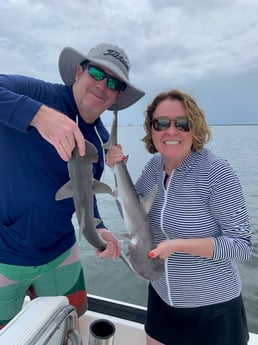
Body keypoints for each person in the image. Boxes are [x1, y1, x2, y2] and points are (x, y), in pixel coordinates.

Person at [0, 43, 145, 329]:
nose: (102, 85)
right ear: (79, 71)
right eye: (96, 72)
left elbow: (84, 192)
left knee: (69, 328)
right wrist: (40, 116)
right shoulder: (38, 94)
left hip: (62, 253)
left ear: (117, 95)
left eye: (113, 82)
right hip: (4, 255)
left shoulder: (100, 140)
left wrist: (99, 225)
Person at [106, 89, 252, 345]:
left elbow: (241, 247)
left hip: (213, 311)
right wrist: (118, 170)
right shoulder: (153, 168)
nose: (170, 131)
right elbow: (132, 216)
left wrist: (178, 246)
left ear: (194, 128)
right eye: (161, 123)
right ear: (152, 129)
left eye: (181, 123)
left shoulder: (217, 173)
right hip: (163, 301)